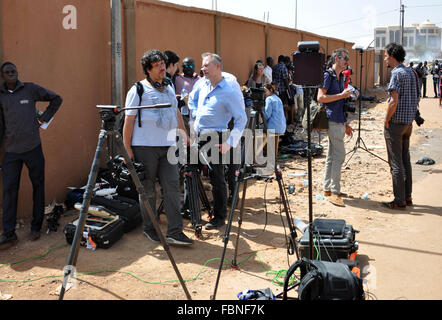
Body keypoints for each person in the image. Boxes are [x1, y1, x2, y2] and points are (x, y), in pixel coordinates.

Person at [122, 49, 193, 246]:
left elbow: (176, 112)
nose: (163, 67)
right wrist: (127, 148)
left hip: (168, 146)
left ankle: (175, 232)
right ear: (148, 69)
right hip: (145, 147)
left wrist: (184, 134)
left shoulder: (169, 87)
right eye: (157, 65)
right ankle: (150, 228)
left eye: (163, 63)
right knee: (148, 189)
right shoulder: (138, 90)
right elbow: (129, 120)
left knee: (171, 186)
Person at [0, 62, 62, 249]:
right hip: (11, 152)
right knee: (9, 191)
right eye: (7, 72)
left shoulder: (30, 89)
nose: (11, 74)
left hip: (33, 149)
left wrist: (44, 118)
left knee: (38, 186)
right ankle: (9, 233)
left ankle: (36, 227)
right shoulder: (1, 96)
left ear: (18, 73)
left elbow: (56, 99)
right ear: (3, 76)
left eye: (14, 71)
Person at [192, 52, 247, 230]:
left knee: (217, 178)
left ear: (217, 67)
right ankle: (192, 211)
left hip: (217, 137)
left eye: (207, 65)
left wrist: (230, 142)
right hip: (199, 137)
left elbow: (241, 119)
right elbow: (192, 101)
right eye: (202, 65)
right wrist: (194, 116)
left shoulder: (229, 92)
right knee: (190, 172)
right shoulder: (202, 86)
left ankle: (219, 216)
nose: (203, 68)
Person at [382, 43, 419, 210]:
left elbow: (393, 102)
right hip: (408, 124)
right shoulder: (411, 72)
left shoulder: (396, 73)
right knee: (406, 160)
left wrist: (386, 120)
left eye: (386, 56)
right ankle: (407, 195)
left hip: (396, 124)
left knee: (396, 162)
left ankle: (399, 200)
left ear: (392, 56)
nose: (384, 59)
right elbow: (417, 97)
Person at [317, 48, 354, 207]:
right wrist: (341, 95)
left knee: (332, 156)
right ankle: (335, 191)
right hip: (332, 120)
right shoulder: (328, 75)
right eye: (345, 59)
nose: (347, 62)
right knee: (339, 155)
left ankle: (328, 188)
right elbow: (320, 97)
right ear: (337, 58)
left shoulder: (338, 77)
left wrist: (345, 123)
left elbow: (339, 103)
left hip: (338, 120)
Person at [263, 82, 286, 162]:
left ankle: (259, 156)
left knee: (256, 132)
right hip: (282, 126)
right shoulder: (277, 98)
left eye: (265, 91)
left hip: (273, 127)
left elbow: (266, 115)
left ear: (270, 90)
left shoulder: (269, 99)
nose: (264, 93)